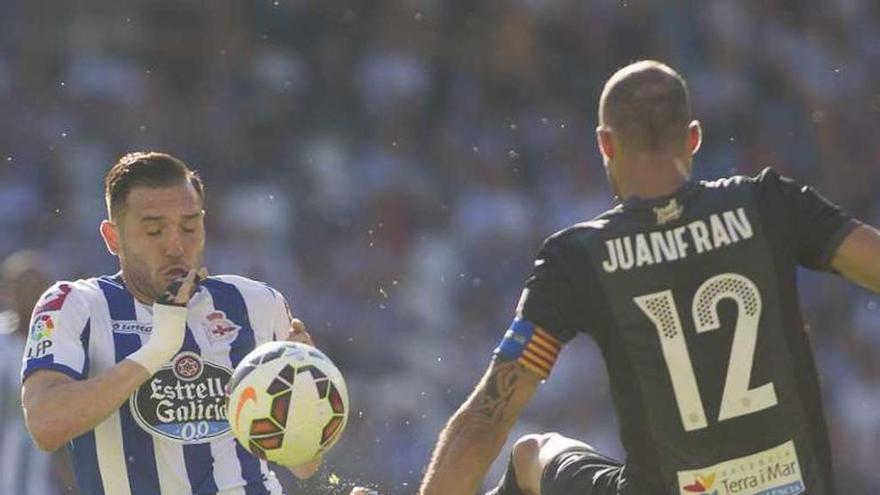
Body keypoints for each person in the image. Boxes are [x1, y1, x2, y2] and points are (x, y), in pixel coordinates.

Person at [418, 60, 880, 495]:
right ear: (693, 138)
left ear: (605, 143)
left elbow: (486, 422)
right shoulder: (768, 205)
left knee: (530, 454)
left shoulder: (579, 258)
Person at [20, 152, 373, 495]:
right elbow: (45, 425)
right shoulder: (74, 305)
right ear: (113, 238)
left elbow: (303, 465)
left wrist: (305, 397)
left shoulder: (256, 303)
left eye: (189, 227)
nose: (175, 246)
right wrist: (157, 350)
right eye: (154, 231)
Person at [0, 250, 77, 494]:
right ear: (7, 291)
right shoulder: (2, 342)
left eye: (36, 286)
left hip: (46, 475)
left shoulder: (64, 345)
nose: (28, 294)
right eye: (21, 286)